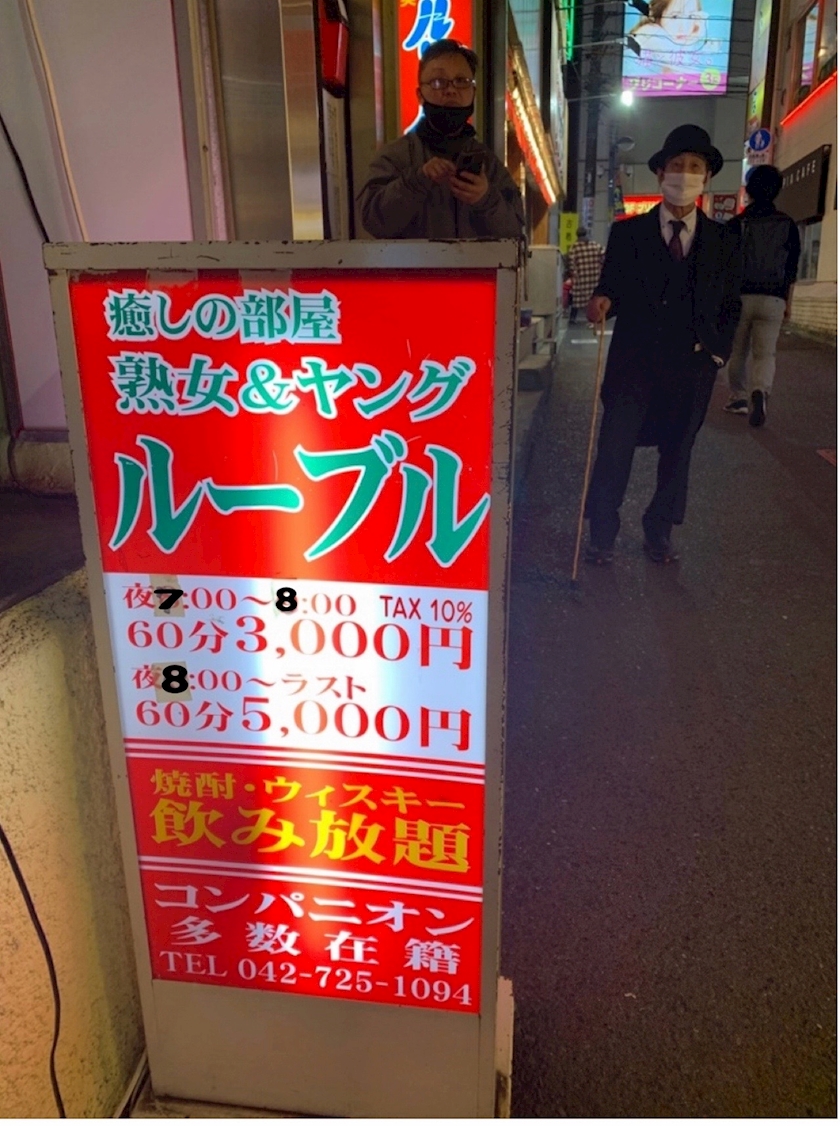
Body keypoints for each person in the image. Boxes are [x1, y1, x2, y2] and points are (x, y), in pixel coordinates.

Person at [584, 124, 742, 565]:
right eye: (677, 165)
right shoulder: (628, 234)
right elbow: (610, 288)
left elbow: (731, 305)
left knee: (678, 453)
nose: (685, 174)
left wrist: (717, 353)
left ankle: (659, 531)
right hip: (633, 363)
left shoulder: (725, 241)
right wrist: (601, 302)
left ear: (706, 177)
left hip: (691, 367)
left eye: (695, 166)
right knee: (614, 448)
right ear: (660, 173)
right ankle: (601, 534)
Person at [358, 39, 524, 240]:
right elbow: (372, 221)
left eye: (461, 81)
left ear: (473, 92)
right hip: (411, 263)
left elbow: (515, 232)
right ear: (420, 95)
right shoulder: (395, 156)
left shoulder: (489, 165)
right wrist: (417, 181)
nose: (451, 90)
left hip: (473, 263)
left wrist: (485, 199)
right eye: (438, 82)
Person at [723, 165, 801, 427]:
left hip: (739, 297)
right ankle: (760, 391)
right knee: (765, 354)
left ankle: (738, 398)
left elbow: (724, 266)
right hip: (774, 298)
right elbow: (791, 267)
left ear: (749, 190)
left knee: (738, 351)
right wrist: (787, 301)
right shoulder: (787, 224)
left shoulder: (736, 224)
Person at [567, 227, 605, 325]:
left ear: (577, 235)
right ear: (586, 234)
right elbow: (604, 257)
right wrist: (599, 267)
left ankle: (572, 318)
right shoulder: (595, 245)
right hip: (595, 277)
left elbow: (571, 264)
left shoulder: (574, 248)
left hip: (580, 278)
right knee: (594, 298)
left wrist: (574, 274)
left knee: (577, 299)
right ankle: (597, 317)